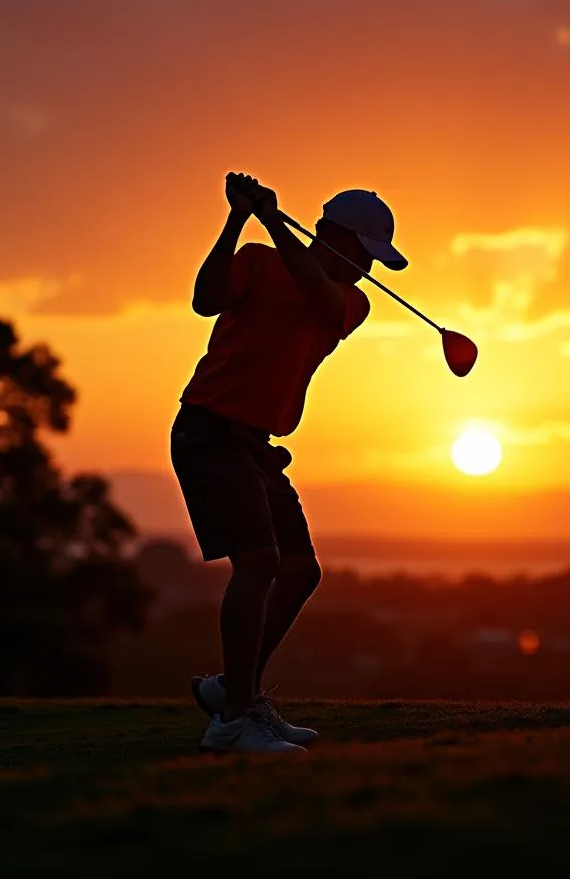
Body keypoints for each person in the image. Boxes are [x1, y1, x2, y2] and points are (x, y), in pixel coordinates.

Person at [172, 172, 408, 753]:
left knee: (300, 571)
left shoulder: (351, 302)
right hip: (210, 430)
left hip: (256, 447)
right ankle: (234, 720)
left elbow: (318, 295)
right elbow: (205, 299)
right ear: (335, 238)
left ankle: (234, 690)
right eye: (366, 254)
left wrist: (273, 219)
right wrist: (238, 220)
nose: (370, 269)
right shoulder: (257, 261)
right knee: (257, 563)